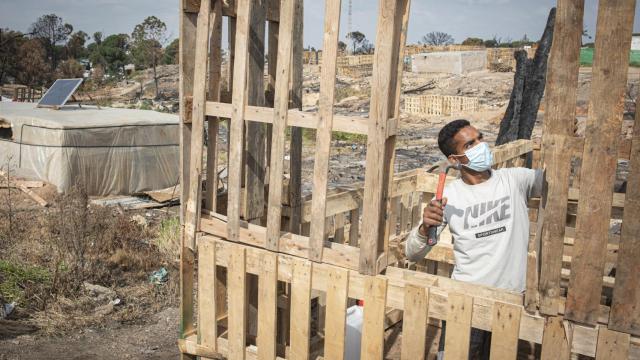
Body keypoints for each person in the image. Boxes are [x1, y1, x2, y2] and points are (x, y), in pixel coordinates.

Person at [405, 119, 543, 359]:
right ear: (454, 160)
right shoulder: (448, 196)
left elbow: (556, 183)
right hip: (465, 301)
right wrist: (426, 227)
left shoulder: (516, 180)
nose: (481, 145)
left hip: (509, 301)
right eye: (470, 144)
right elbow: (413, 253)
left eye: (480, 138)